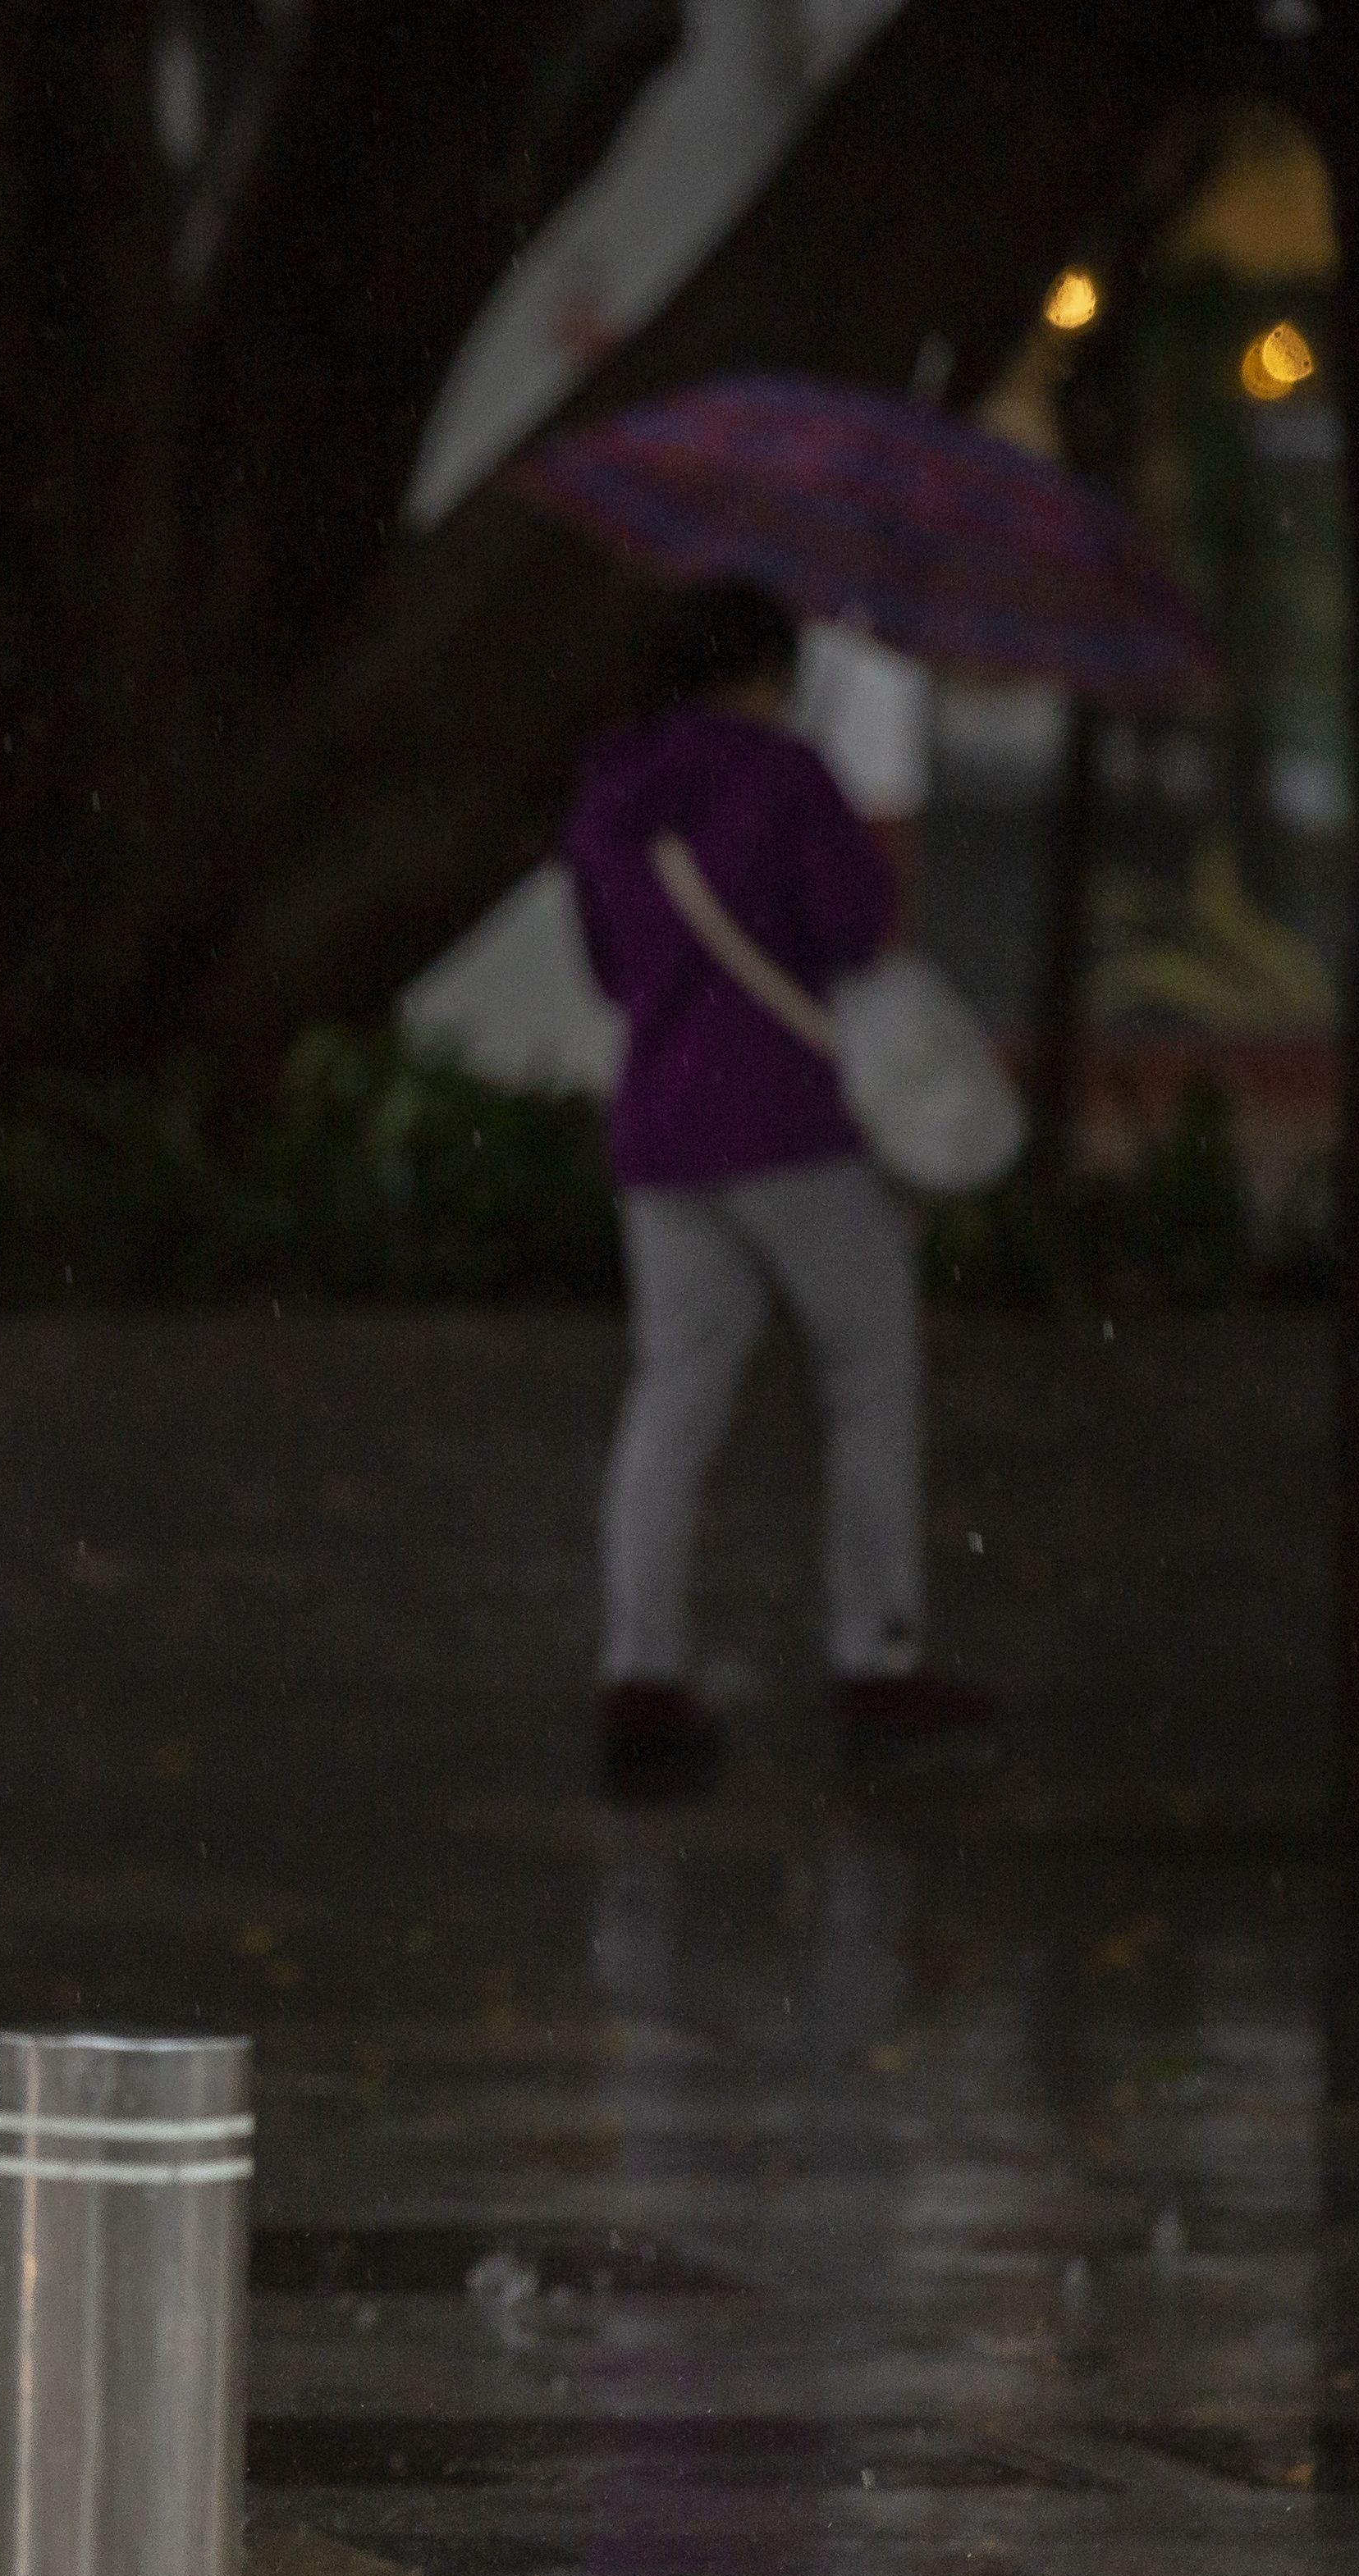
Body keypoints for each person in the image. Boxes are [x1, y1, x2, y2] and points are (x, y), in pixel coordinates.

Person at [569, 577, 996, 1800]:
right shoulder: (783, 779)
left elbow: (608, 971)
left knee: (672, 1399)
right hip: (790, 1123)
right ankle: (874, 1650)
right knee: (866, 1374)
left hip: (660, 1128)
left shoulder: (608, 792)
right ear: (761, 669)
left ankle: (640, 1671)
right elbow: (854, 926)